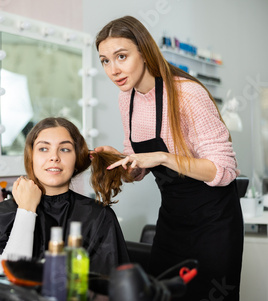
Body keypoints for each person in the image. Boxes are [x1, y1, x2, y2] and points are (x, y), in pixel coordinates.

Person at [94, 16, 243, 300]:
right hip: (173, 220)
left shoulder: (187, 94)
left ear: (144, 51)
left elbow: (224, 169)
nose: (113, 70)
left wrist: (163, 157)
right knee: (161, 294)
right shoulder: (127, 99)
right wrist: (120, 162)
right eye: (105, 61)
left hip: (214, 223)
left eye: (121, 56)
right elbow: (138, 166)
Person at [0, 117, 132, 276]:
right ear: (31, 157)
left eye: (64, 149)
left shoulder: (98, 216)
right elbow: (7, 280)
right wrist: (26, 211)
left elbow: (107, 287)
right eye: (43, 149)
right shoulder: (6, 212)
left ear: (77, 158)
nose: (54, 157)